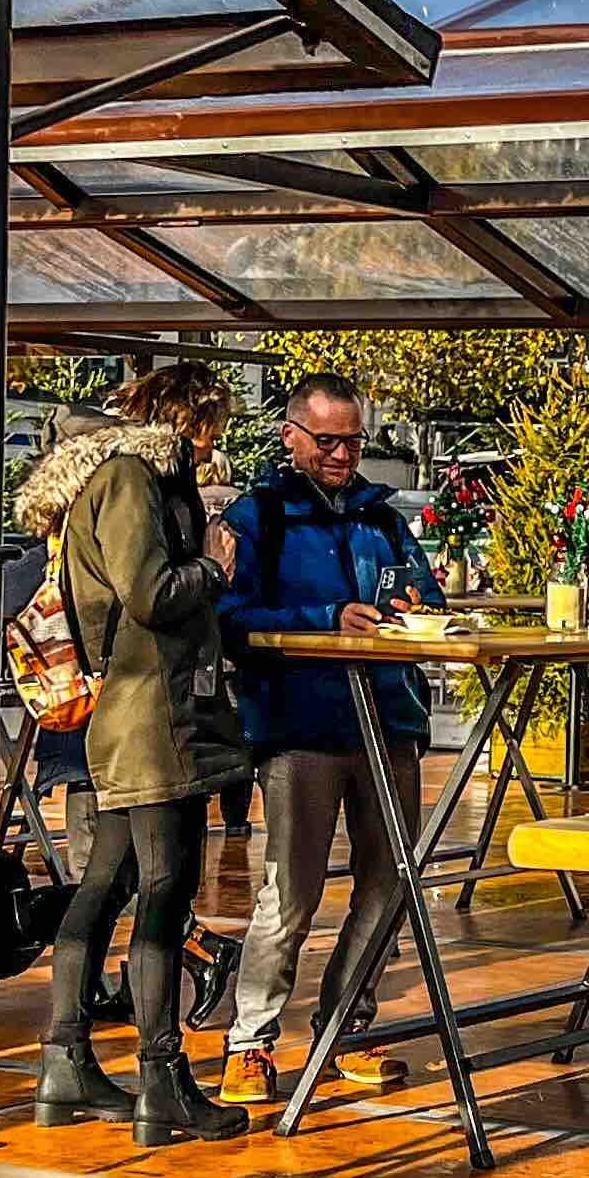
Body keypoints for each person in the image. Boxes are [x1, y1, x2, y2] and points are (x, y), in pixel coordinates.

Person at [10, 367, 251, 1145]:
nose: (214, 446)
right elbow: (149, 592)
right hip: (154, 717)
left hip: (137, 713)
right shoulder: (130, 478)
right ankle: (161, 1077)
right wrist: (214, 564)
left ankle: (66, 1059)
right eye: (212, 425)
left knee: (105, 883)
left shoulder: (117, 476)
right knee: (163, 891)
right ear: (188, 417)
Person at [213, 373, 445, 1108]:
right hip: (301, 726)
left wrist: (413, 607)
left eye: (353, 440)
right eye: (328, 440)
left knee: (389, 883)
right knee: (291, 893)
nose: (343, 454)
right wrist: (324, 616)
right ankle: (250, 1041)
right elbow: (233, 618)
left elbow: (427, 595)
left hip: (389, 722)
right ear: (291, 436)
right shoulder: (259, 518)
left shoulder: (383, 518)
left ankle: (347, 1023)